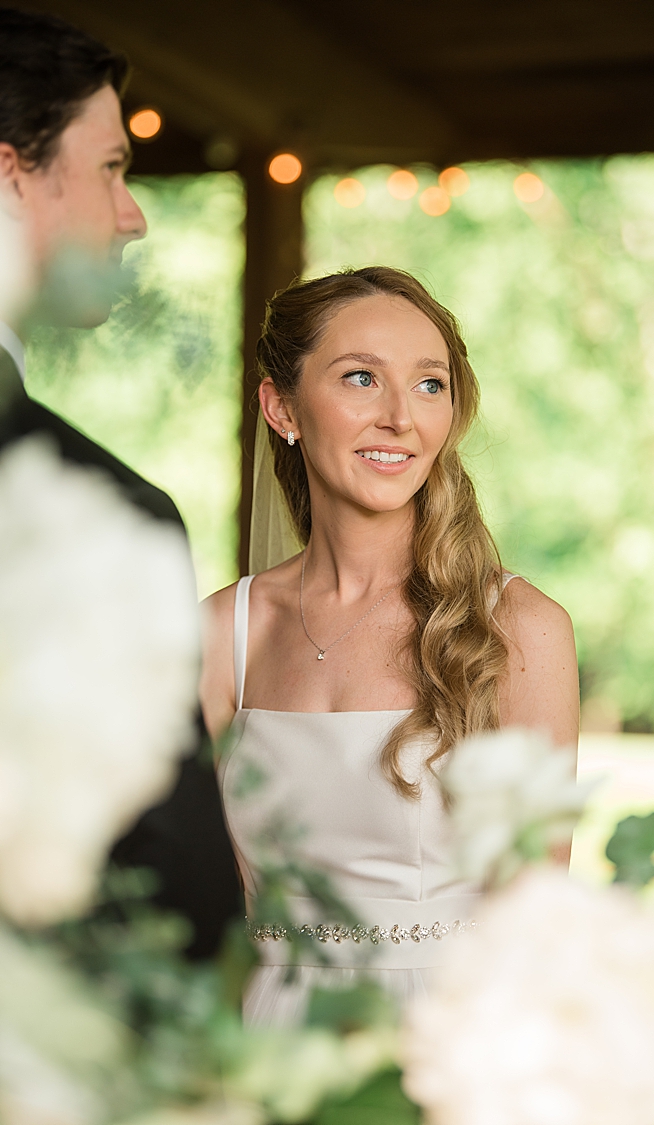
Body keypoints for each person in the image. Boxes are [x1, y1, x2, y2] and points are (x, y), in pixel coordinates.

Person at [198, 267, 580, 1026]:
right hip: (260, 1042)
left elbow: (534, 918)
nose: (401, 418)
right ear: (282, 407)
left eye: (430, 385)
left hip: (451, 1040)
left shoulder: (520, 627)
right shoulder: (220, 634)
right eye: (362, 378)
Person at [0, 7, 241, 959]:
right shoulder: (96, 516)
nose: (132, 214)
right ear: (11, 172)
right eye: (110, 167)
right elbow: (178, 913)